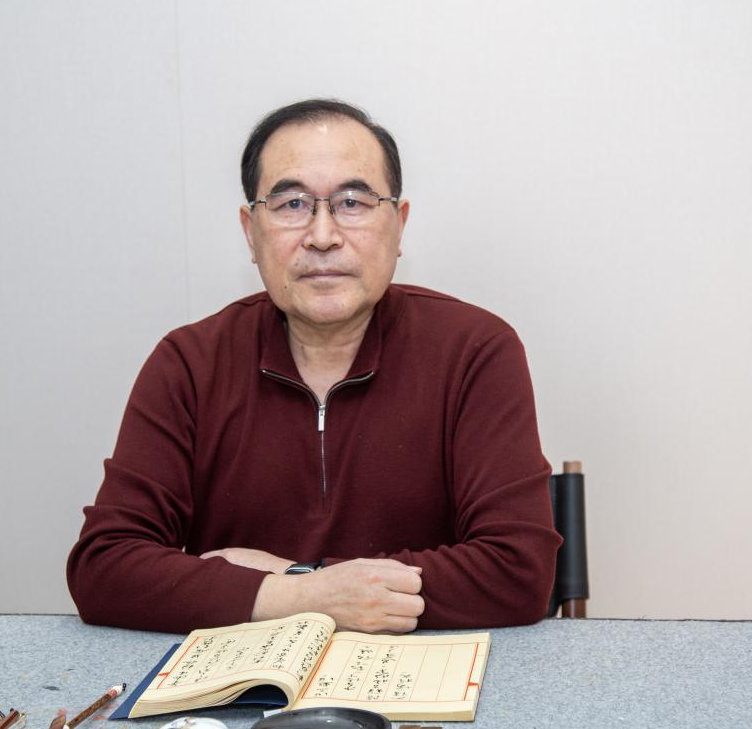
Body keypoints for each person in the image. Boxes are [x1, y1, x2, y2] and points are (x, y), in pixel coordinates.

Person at [67, 99, 559, 634]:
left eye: (352, 202)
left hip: (424, 673)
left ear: (398, 225)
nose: (323, 236)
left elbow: (518, 571)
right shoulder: (189, 363)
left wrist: (304, 579)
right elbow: (104, 567)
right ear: (250, 231)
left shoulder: (475, 350)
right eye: (292, 204)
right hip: (245, 677)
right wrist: (300, 594)